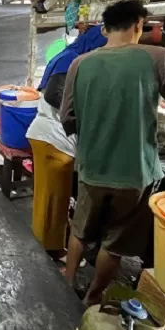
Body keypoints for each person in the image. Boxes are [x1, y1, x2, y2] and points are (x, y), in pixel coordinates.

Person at [60, 0, 165, 306]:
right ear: (138, 25)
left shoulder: (80, 64)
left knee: (80, 229)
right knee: (115, 241)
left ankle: (66, 286)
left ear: (104, 29)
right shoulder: (160, 58)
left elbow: (67, 117)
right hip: (135, 172)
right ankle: (93, 298)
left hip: (92, 166)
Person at [27, 26, 107, 256]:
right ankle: (51, 252)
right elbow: (54, 95)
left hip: (48, 137)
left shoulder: (69, 55)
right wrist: (84, 117)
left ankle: (45, 244)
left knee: (48, 199)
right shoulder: (71, 59)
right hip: (55, 140)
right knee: (54, 202)